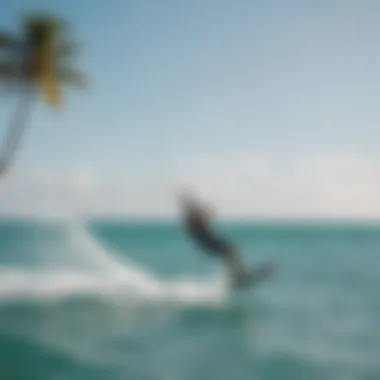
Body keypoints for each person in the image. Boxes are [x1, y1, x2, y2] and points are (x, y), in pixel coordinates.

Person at [179, 192, 249, 287]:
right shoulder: (191, 218)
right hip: (207, 243)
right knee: (229, 251)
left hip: (208, 241)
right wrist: (203, 213)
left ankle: (237, 276)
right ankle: (237, 277)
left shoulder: (193, 217)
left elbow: (208, 218)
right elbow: (200, 226)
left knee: (230, 252)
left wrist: (204, 212)